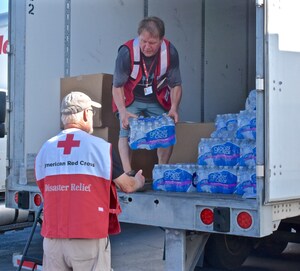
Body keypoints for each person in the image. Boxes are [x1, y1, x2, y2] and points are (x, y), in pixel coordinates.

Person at [35, 91, 145, 271]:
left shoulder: (45, 149)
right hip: (87, 239)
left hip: (53, 239)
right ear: (86, 114)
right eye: (91, 113)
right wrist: (139, 180)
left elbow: (44, 189)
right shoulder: (100, 148)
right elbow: (128, 185)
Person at [112, 16, 182, 173]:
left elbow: (176, 85)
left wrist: (174, 108)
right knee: (125, 129)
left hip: (157, 96)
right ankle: (127, 173)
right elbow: (117, 86)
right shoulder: (126, 52)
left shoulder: (170, 52)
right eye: (143, 41)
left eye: (152, 43)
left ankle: (162, 170)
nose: (146, 46)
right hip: (131, 96)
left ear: (161, 40)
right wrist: (123, 112)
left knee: (167, 127)